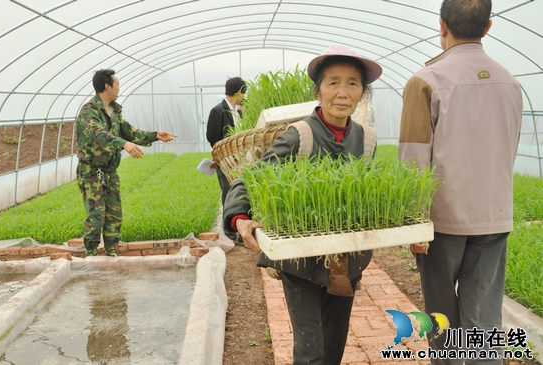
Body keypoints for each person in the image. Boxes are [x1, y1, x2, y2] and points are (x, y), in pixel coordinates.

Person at [223, 45, 383, 365]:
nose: (342, 92)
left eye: (352, 83)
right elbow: (251, 179)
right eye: (333, 82)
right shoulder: (300, 135)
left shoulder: (367, 139)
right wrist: (239, 217)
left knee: (334, 344)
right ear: (318, 90)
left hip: (346, 261)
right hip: (302, 263)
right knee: (311, 350)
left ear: (362, 93)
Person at [399, 1, 522, 364]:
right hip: (495, 215)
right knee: (484, 317)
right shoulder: (511, 83)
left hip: (443, 222)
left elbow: (413, 159)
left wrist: (414, 222)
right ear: (488, 28)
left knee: (441, 318)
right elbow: (508, 150)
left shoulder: (426, 81)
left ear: (442, 25)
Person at [76, 69, 177, 257]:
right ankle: (90, 255)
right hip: (91, 172)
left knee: (114, 215)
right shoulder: (89, 111)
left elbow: (130, 133)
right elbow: (98, 134)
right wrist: (123, 144)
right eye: (117, 85)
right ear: (107, 87)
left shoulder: (114, 110)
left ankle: (111, 251)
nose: (119, 89)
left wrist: (155, 135)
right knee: (96, 217)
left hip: (110, 171)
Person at [206, 76, 247, 242]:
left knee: (244, 192)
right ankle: (229, 232)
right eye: (244, 93)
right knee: (228, 192)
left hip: (241, 160)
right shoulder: (218, 111)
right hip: (226, 161)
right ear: (238, 92)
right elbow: (212, 136)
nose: (244, 97)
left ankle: (243, 228)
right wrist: (221, 155)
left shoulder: (239, 111)